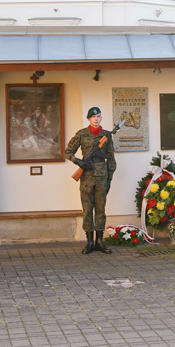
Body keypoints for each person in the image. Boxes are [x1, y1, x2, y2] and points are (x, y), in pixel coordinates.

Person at [65, 107, 116, 255]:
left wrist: (110, 177)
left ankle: (100, 241)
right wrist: (79, 162)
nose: (96, 119)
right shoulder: (81, 134)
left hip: (102, 177)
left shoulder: (106, 135)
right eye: (93, 117)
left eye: (99, 116)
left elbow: (111, 157)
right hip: (86, 177)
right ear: (88, 119)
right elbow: (68, 152)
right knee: (87, 209)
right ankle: (89, 241)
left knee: (101, 209)